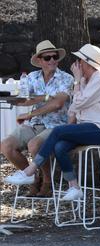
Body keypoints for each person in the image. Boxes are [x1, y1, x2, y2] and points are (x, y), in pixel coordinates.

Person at [4, 44, 100, 201]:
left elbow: (78, 102)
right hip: (83, 127)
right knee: (59, 147)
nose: (76, 64)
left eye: (79, 60)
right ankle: (74, 187)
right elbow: (73, 109)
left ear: (87, 62)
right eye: (47, 57)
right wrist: (69, 124)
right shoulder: (84, 81)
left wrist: (76, 81)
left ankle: (30, 171)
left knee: (57, 131)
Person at [0, 40, 74, 196]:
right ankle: (33, 178)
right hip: (35, 124)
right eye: (48, 58)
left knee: (34, 145)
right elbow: (27, 100)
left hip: (56, 125)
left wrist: (29, 113)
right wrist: (12, 98)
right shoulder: (32, 77)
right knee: (6, 146)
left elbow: (58, 104)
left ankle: (47, 182)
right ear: (39, 61)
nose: (53, 60)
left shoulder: (66, 78)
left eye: (55, 57)